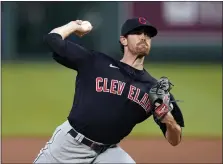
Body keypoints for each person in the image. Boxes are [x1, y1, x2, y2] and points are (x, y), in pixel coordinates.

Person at [33, 17, 184, 163]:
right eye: (137, 33)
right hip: (70, 146)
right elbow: (52, 39)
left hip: (107, 152)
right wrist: (75, 26)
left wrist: (168, 120)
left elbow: (175, 140)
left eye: (148, 35)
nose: (144, 37)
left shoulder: (155, 89)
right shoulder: (96, 62)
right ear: (123, 40)